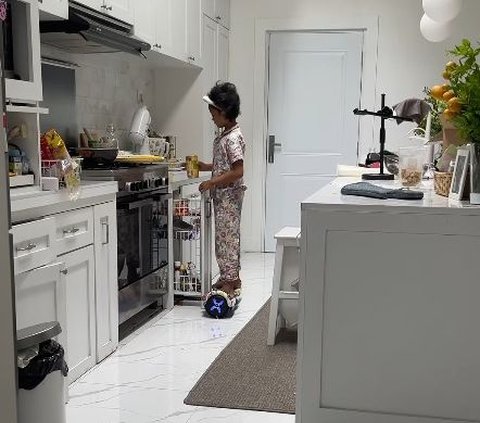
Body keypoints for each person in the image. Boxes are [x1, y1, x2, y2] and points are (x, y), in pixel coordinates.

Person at [199, 82, 246, 297]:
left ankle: (231, 279)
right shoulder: (225, 135)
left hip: (228, 198)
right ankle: (230, 277)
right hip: (223, 197)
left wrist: (212, 182)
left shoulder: (233, 138)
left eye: (213, 113)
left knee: (227, 239)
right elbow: (224, 165)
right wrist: (206, 167)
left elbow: (238, 171)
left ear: (224, 111)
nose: (211, 118)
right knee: (223, 238)